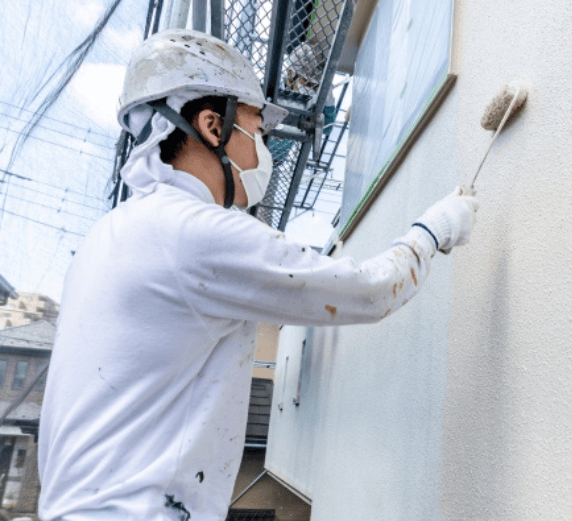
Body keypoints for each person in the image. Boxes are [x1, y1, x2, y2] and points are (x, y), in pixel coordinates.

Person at [37, 29, 478, 520]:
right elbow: (369, 291)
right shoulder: (192, 232)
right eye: (258, 131)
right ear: (212, 125)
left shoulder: (115, 232)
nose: (263, 151)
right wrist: (430, 233)